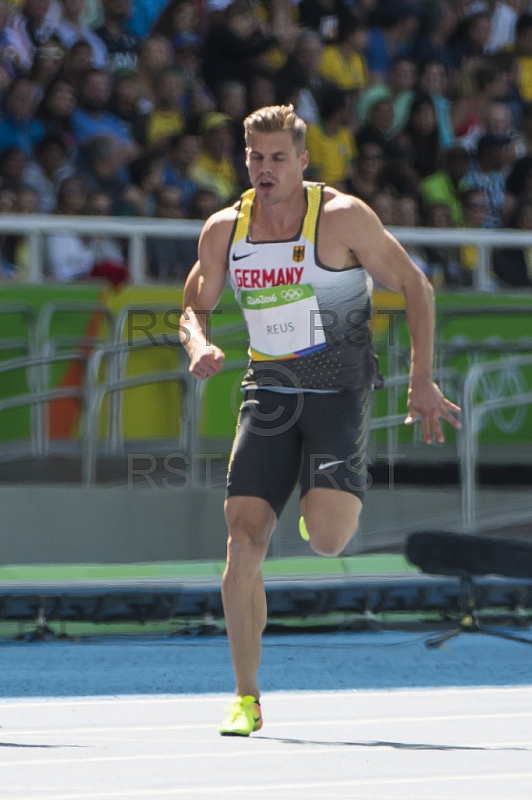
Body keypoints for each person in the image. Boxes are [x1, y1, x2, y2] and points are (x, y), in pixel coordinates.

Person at [179, 103, 461, 737]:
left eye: (278, 158)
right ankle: (246, 697)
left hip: (337, 392)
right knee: (242, 541)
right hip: (269, 393)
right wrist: (198, 345)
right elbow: (192, 306)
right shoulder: (225, 228)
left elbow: (417, 287)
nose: (265, 169)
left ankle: (320, 501)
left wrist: (420, 378)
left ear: (303, 161)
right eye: (255, 158)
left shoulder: (340, 217)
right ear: (243, 160)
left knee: (329, 537)